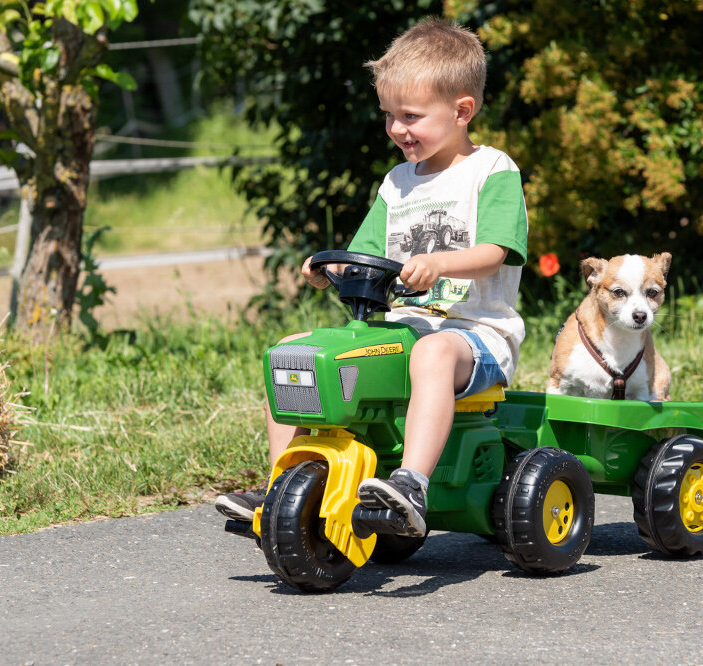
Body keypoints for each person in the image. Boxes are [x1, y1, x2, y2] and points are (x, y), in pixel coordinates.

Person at [215, 17, 528, 537]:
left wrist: (440, 263)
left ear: (462, 111)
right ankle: (285, 483)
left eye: (411, 116)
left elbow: (498, 251)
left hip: (475, 337)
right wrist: (328, 267)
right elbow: (362, 254)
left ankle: (411, 483)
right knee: (298, 348)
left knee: (432, 353)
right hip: (402, 331)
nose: (397, 129)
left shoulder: (491, 170)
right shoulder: (396, 183)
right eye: (389, 116)